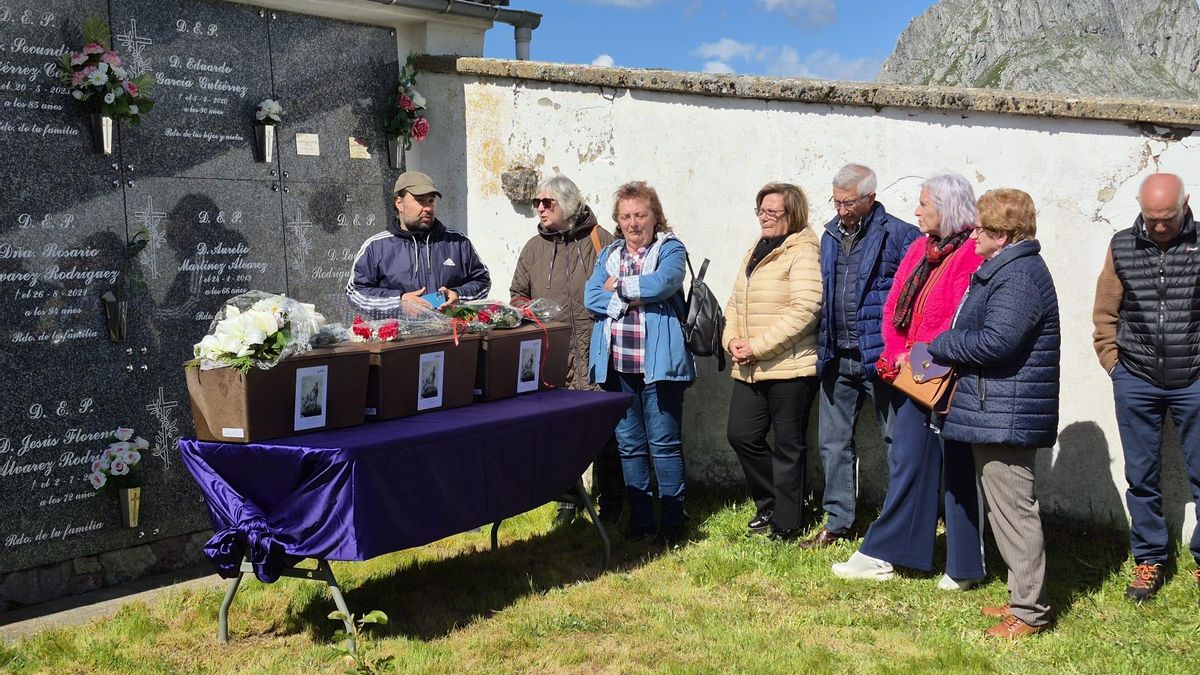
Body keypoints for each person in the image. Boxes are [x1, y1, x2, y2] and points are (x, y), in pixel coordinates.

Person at [832, 173, 986, 590]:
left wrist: (918, 354)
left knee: (954, 467)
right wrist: (896, 353)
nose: (916, 211)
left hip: (947, 377)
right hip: (913, 377)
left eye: (924, 204)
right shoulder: (921, 248)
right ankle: (889, 551)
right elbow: (896, 304)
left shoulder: (971, 254)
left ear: (948, 208)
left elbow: (957, 317)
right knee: (909, 461)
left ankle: (963, 566)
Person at [929, 189, 1059, 638]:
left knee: (1014, 512)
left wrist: (941, 345)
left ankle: (1029, 613)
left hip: (1006, 412)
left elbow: (997, 343)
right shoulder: (1007, 269)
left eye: (982, 228)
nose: (974, 235)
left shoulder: (1019, 276)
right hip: (998, 407)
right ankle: (1020, 599)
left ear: (1004, 235)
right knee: (1007, 512)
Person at [1093, 173, 1200, 603]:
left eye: (1167, 218)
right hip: (1135, 378)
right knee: (1141, 477)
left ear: (1185, 205)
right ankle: (1150, 558)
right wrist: (1114, 364)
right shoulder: (1121, 245)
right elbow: (1105, 312)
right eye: (1151, 218)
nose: (1158, 226)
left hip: (1194, 380)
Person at [805, 164, 918, 549]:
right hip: (838, 355)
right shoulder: (830, 235)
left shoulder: (900, 235)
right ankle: (838, 522)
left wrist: (900, 347)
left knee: (896, 441)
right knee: (833, 443)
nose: (841, 210)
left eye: (849, 202)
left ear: (870, 197)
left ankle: (899, 522)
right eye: (836, 201)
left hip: (880, 358)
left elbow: (914, 295)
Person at [585, 181, 696, 545]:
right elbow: (589, 297)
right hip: (617, 364)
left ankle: (673, 522)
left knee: (664, 443)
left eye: (641, 215)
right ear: (618, 221)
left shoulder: (670, 249)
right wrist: (629, 294)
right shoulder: (609, 254)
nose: (634, 223)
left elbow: (664, 283)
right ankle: (642, 519)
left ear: (655, 217)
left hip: (659, 364)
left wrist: (616, 289)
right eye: (626, 216)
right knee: (629, 445)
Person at [510, 174, 624, 525]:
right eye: (537, 203)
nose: (540, 209)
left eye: (548, 203)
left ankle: (613, 502)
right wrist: (529, 311)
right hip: (553, 354)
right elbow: (517, 294)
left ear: (569, 205)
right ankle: (568, 500)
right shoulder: (533, 248)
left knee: (604, 430)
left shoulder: (600, 240)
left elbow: (616, 289)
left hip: (596, 351)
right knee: (563, 432)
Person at [723, 182, 822, 540]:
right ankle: (770, 504)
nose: (763, 218)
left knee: (788, 446)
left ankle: (787, 522)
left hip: (791, 367)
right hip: (750, 365)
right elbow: (735, 301)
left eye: (771, 212)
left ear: (791, 214)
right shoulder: (758, 248)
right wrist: (731, 339)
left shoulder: (804, 251)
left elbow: (806, 309)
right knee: (741, 434)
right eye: (760, 211)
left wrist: (758, 346)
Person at [346, 171, 490, 310]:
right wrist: (399, 301)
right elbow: (355, 293)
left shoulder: (458, 242)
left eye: (431, 201)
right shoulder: (376, 246)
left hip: (450, 332)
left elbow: (482, 282)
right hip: (400, 333)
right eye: (420, 200)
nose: (427, 208)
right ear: (399, 203)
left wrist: (458, 295)